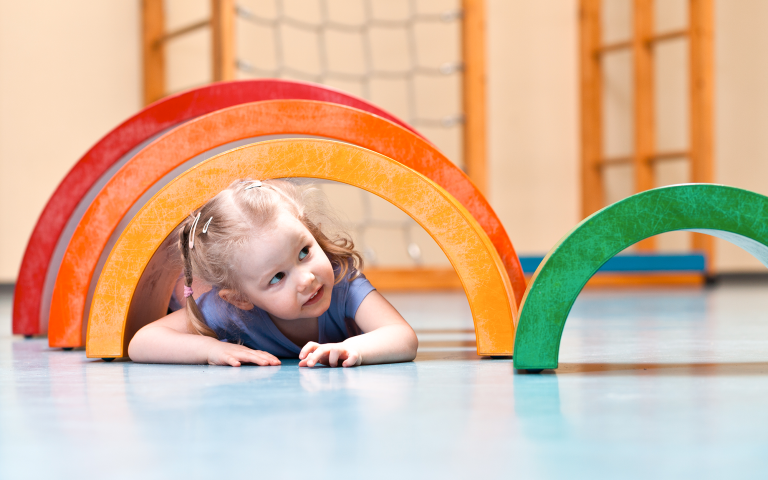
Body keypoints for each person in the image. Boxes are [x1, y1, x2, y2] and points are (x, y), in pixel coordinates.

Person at [128, 179, 418, 368]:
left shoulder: (343, 283)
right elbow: (142, 342)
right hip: (192, 289)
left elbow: (401, 335)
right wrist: (209, 349)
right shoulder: (229, 310)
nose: (307, 279)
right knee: (182, 292)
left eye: (304, 252)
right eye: (278, 277)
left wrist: (353, 348)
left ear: (308, 229)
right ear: (241, 298)